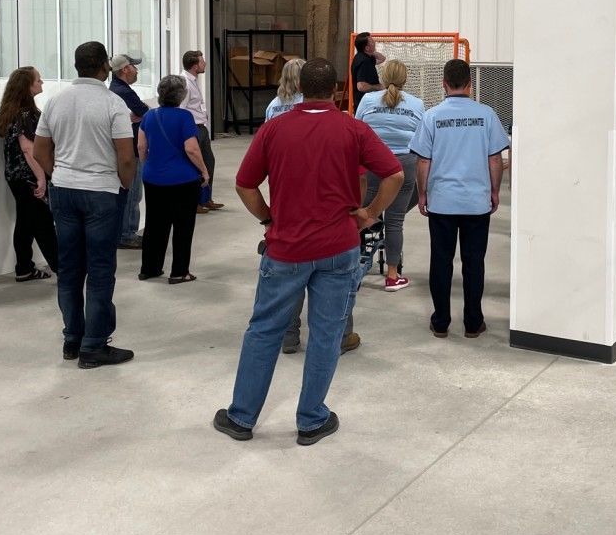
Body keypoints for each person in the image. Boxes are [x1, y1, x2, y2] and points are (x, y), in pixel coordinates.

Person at [213, 59, 403, 446]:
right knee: (326, 333)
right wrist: (368, 214)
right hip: (339, 248)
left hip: (286, 249)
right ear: (336, 90)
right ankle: (312, 419)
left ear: (299, 87)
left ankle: (241, 417)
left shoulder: (274, 128)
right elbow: (395, 174)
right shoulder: (354, 129)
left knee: (264, 331)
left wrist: (268, 219)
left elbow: (245, 184)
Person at [33, 41, 136, 368]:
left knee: (70, 268)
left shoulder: (56, 101)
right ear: (105, 66)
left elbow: (39, 150)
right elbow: (126, 157)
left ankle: (72, 340)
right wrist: (124, 185)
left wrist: (59, 175)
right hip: (101, 192)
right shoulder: (113, 103)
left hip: (64, 191)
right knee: (101, 269)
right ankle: (94, 346)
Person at [408, 58, 510, 338]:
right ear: (470, 84)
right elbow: (495, 159)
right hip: (476, 203)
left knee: (441, 262)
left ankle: (441, 322)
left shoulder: (432, 117)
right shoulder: (487, 115)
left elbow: (423, 162)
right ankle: (473, 323)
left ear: (443, 84)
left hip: (442, 202)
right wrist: (494, 191)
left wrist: (423, 193)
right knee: (474, 262)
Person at [355, 58, 425, 290]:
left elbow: (357, 130)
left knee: (362, 215)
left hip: (373, 164)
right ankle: (393, 276)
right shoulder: (417, 104)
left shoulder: (368, 100)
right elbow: (422, 139)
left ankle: (354, 265)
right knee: (395, 221)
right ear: (405, 79)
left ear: (383, 78)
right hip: (404, 164)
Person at [136, 75, 210, 283]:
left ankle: (149, 268)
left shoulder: (149, 116)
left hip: (153, 178)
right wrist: (204, 171)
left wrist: (149, 164)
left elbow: (141, 146)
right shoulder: (184, 117)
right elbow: (191, 149)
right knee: (183, 226)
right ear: (181, 95)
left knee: (154, 224)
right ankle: (179, 272)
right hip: (182, 179)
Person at [0, 66, 57, 281]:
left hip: (15, 176)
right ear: (27, 86)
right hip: (29, 176)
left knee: (25, 222)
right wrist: (41, 178)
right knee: (43, 223)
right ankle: (62, 268)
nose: (42, 83)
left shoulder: (12, 111)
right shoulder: (26, 114)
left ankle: (24, 268)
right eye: (38, 80)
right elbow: (28, 149)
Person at [108, 53, 148, 249]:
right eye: (133, 66)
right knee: (132, 194)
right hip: (130, 152)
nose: (136, 70)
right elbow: (145, 112)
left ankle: (123, 232)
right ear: (125, 69)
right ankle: (127, 234)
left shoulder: (115, 90)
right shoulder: (124, 92)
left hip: (123, 150)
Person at [181, 50, 223, 212]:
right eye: (201, 61)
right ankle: (195, 202)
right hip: (194, 129)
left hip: (201, 128)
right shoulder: (185, 83)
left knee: (208, 162)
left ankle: (206, 199)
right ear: (194, 66)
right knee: (196, 165)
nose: (204, 63)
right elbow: (182, 110)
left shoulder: (193, 80)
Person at [350, 32, 385, 111]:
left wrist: (371, 51)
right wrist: (378, 87)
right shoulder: (364, 61)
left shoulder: (366, 57)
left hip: (366, 105)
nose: (374, 42)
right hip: (364, 107)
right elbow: (361, 86)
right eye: (372, 41)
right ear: (366, 48)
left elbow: (382, 58)